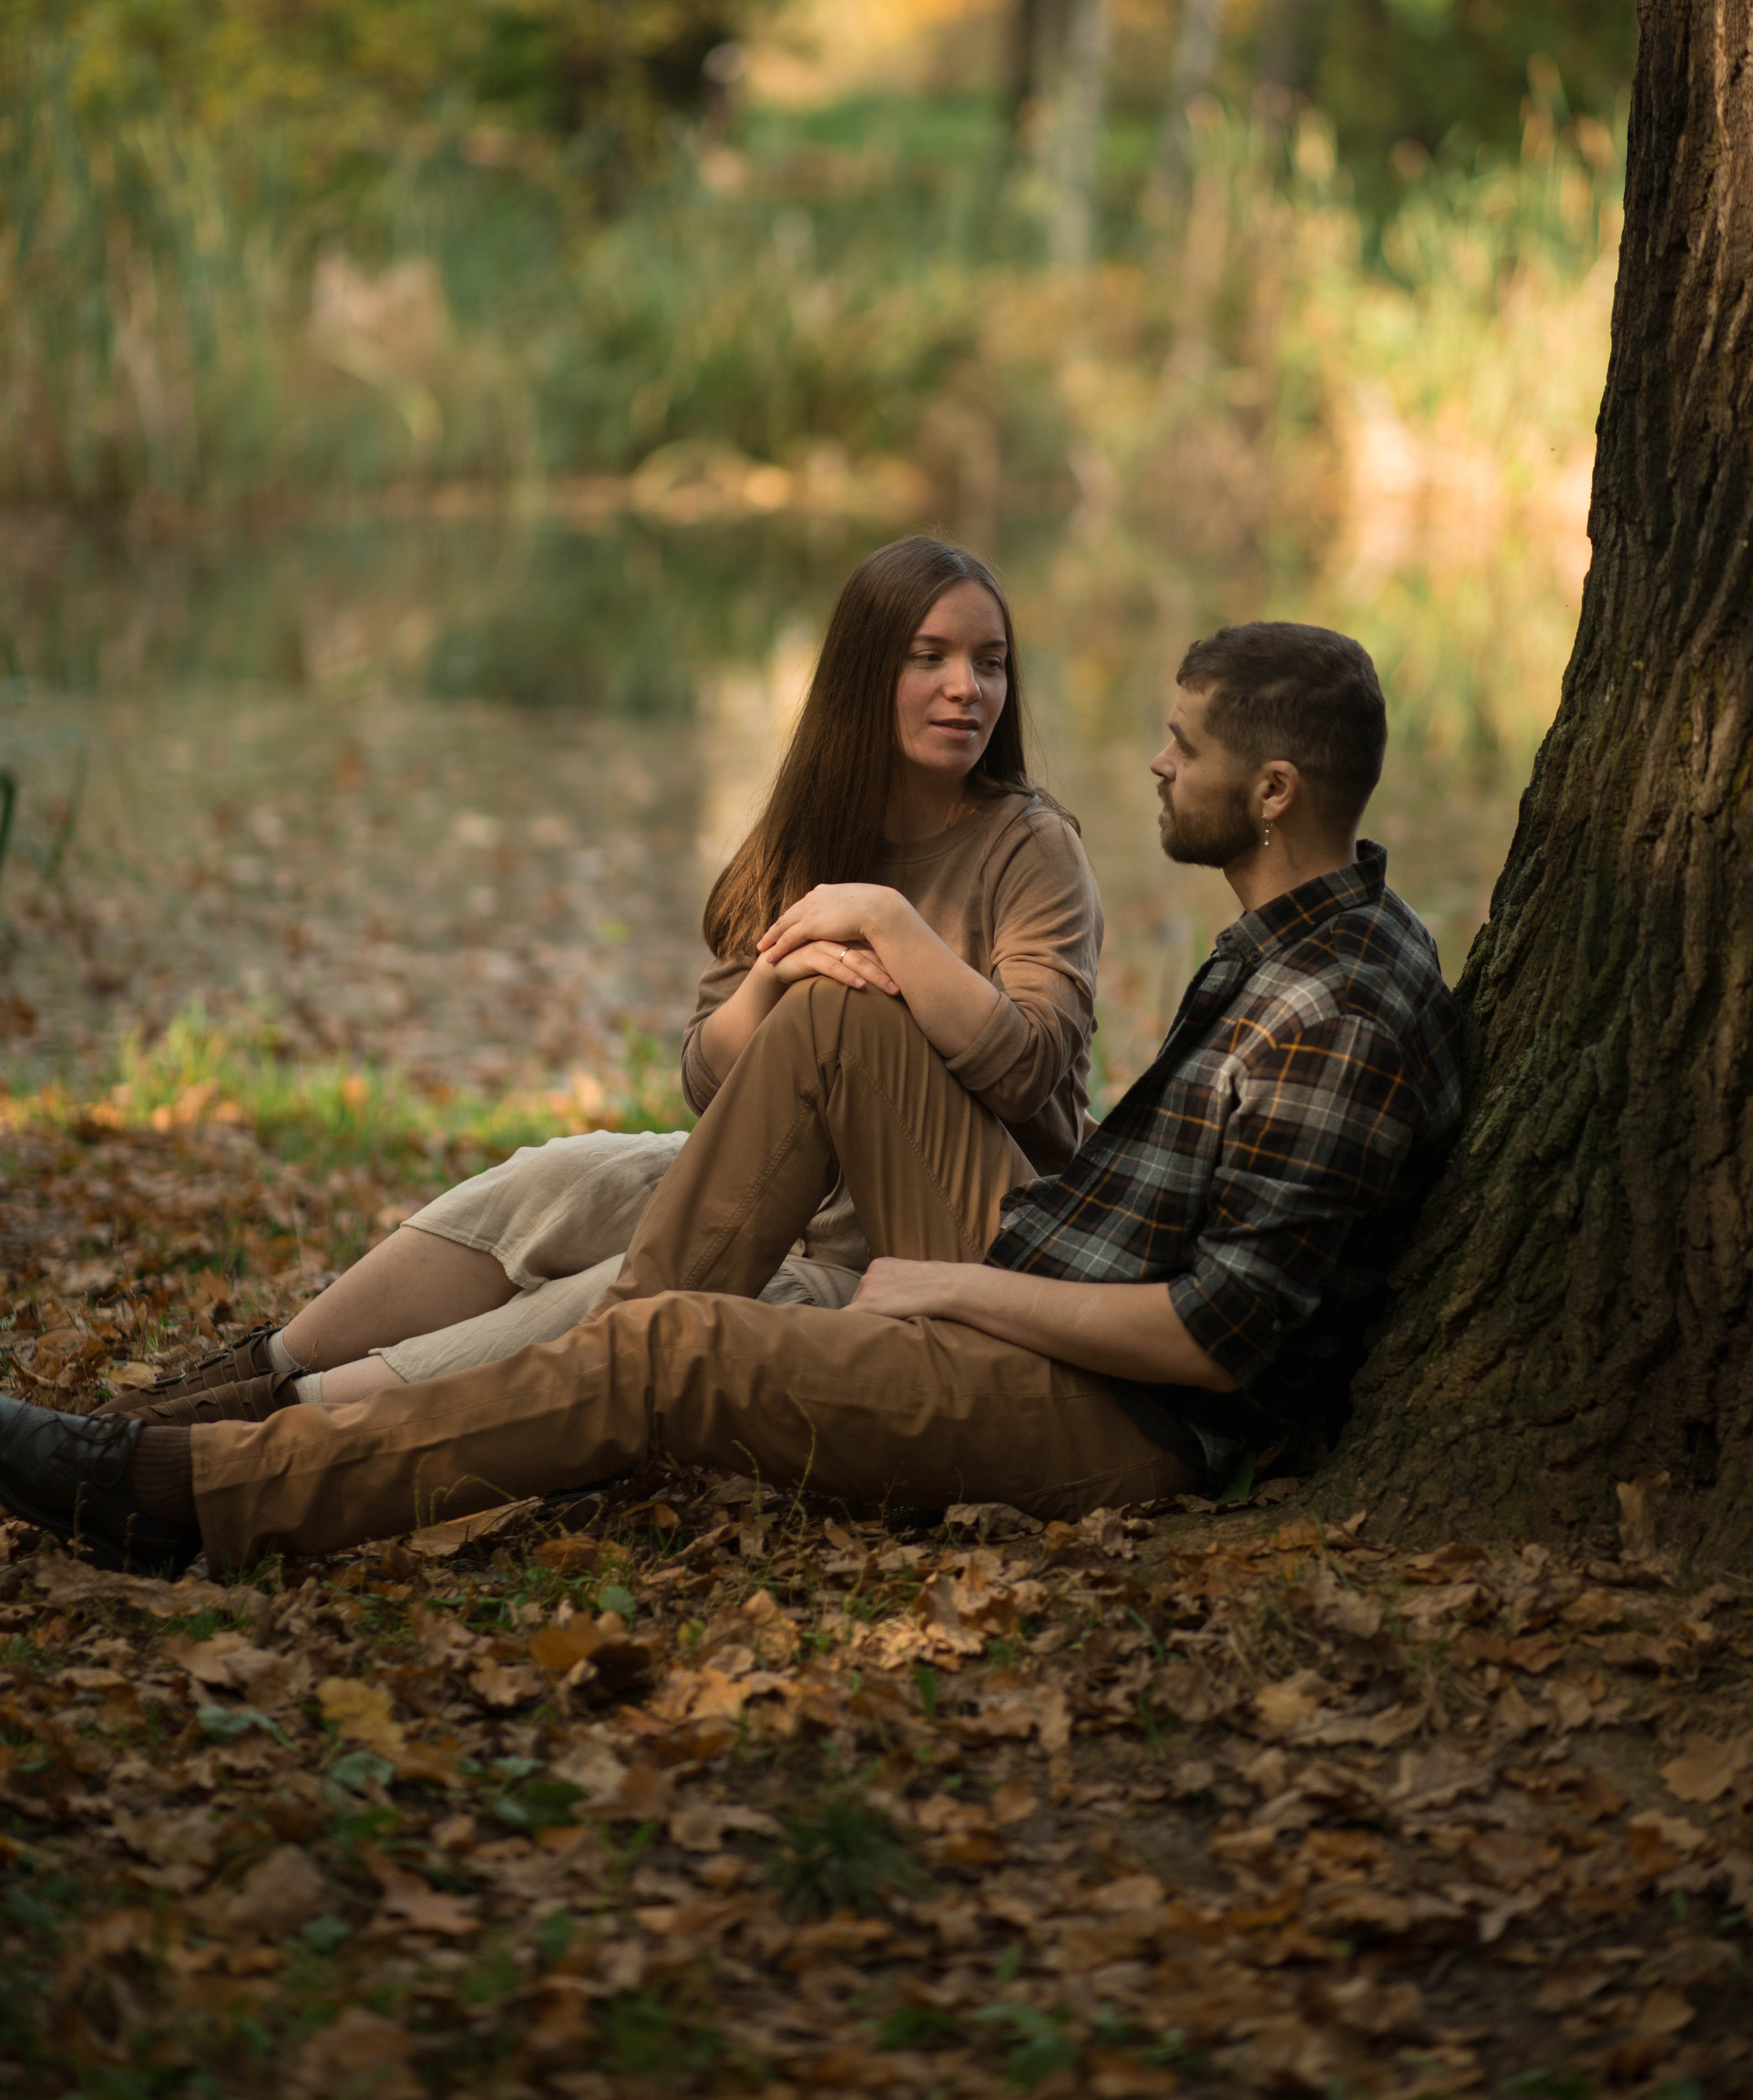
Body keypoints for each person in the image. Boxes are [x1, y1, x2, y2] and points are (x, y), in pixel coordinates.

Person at [0, 621, 1463, 1576]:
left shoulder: (1331, 1011)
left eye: (1185, 746)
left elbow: (1214, 1343)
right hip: (1059, 1268)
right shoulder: (1300, 935)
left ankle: (200, 1497)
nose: (1155, 760)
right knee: (827, 1025)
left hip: (1118, 1418)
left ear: (1273, 791)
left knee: (665, 1352)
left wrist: (954, 1290)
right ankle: (567, 1380)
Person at [97, 535, 1103, 1421]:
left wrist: (889, 922)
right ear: (861, 673)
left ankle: (281, 1423)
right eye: (929, 658)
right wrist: (770, 983)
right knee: (561, 1182)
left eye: (989, 663)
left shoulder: (1030, 848)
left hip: (930, 1228)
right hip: (779, 1173)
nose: (967, 688)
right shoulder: (804, 835)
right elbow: (707, 1083)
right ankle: (257, 1368)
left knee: (608, 1294)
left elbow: (1031, 1074)